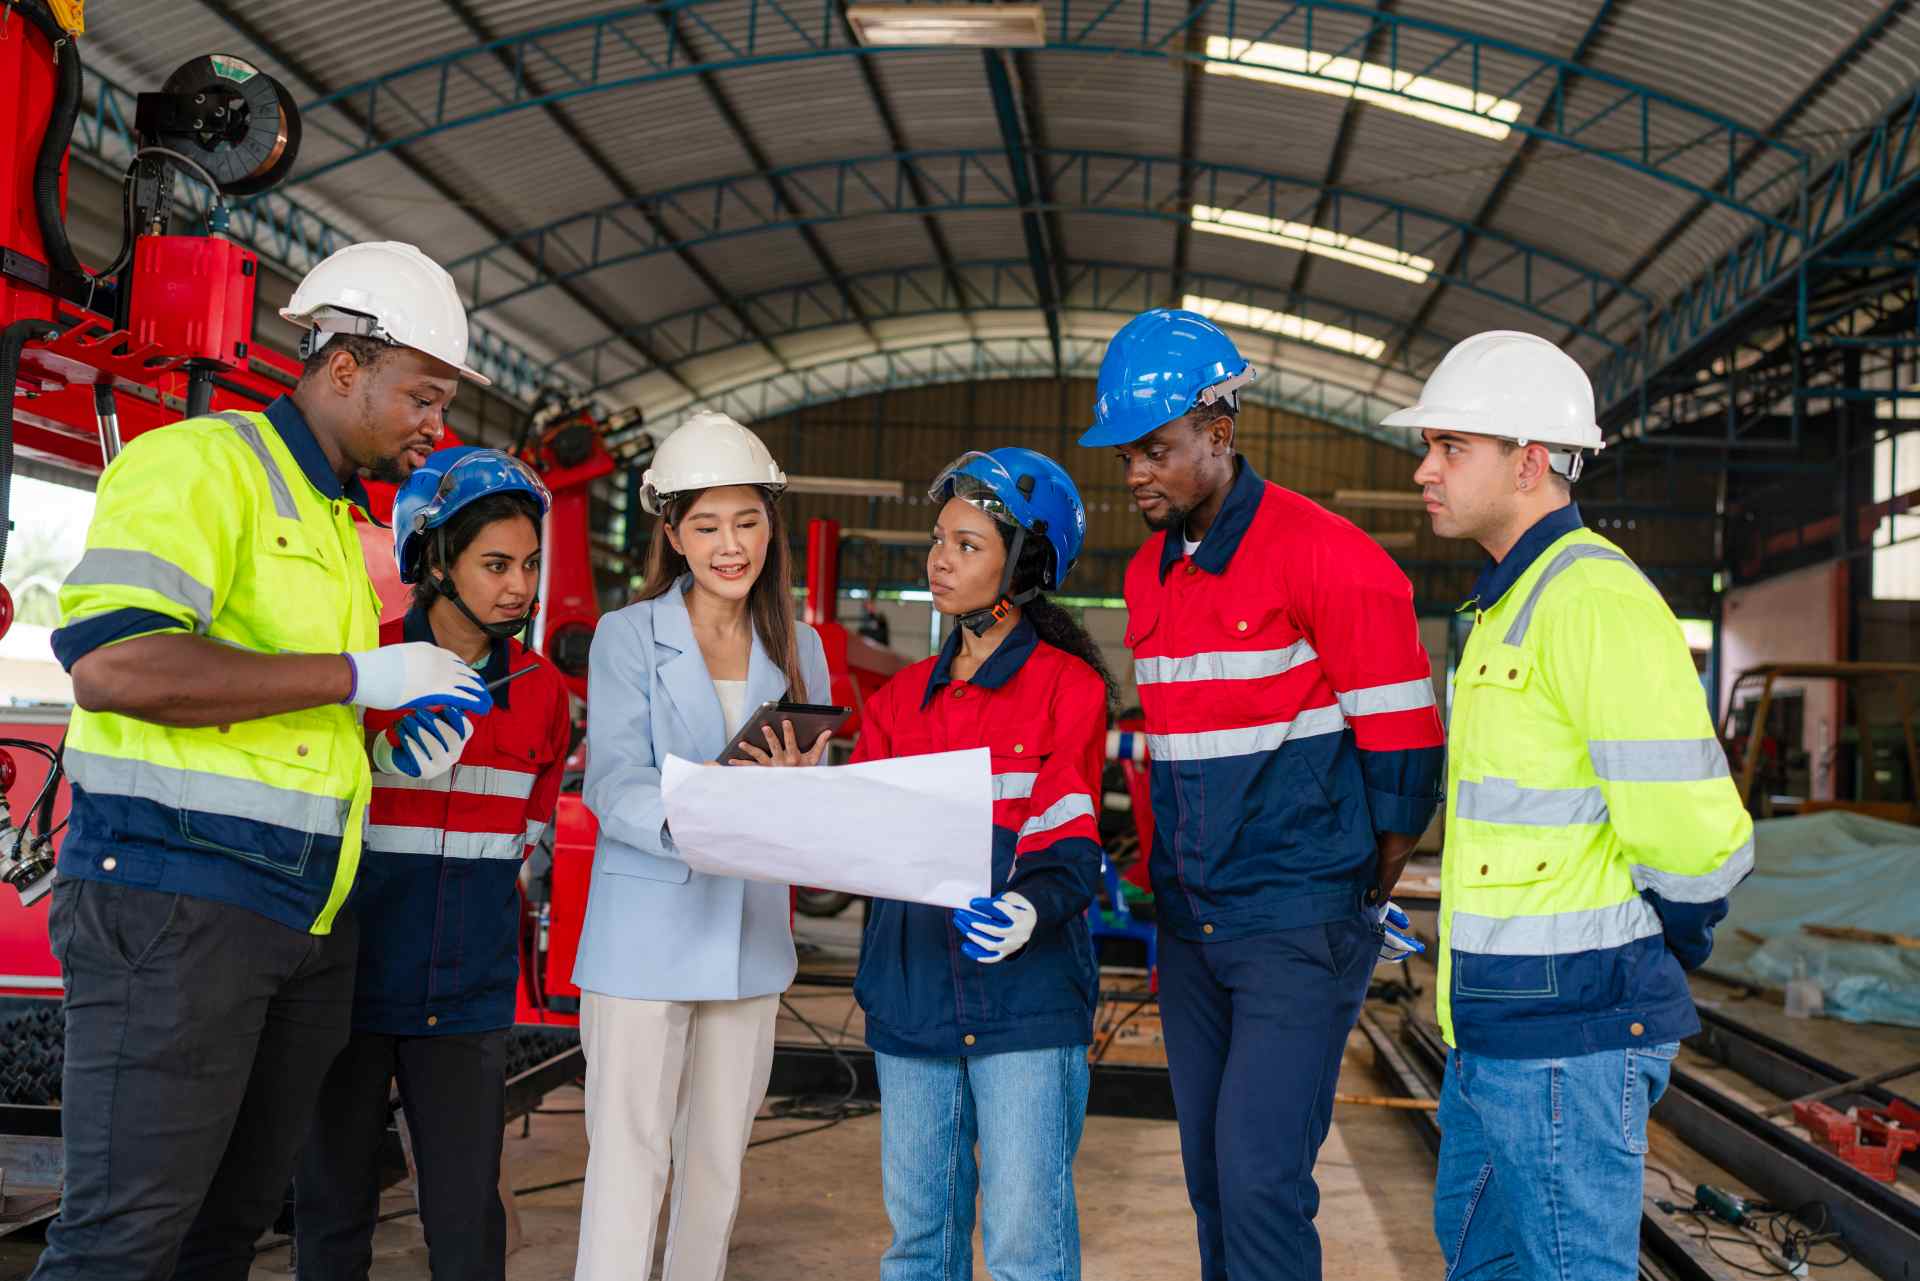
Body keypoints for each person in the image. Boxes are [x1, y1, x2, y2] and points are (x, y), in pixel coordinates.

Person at [42, 241, 496, 1280]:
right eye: (421, 396)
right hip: (175, 907)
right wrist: (353, 678)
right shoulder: (199, 464)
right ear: (344, 367)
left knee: (228, 1233)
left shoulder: (342, 526)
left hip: (301, 921)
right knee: (125, 1240)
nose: (436, 425)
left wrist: (382, 739)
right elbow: (118, 667)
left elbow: (279, 709)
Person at [1078, 308, 1445, 1281]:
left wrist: (1340, 889)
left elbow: (1405, 750)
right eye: (1126, 458)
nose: (1137, 476)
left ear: (1220, 432)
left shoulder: (1330, 557)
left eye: (1154, 450)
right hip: (1192, 924)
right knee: (1207, 1173)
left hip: (1296, 922)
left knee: (1260, 1179)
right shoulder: (1148, 575)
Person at [1395, 330, 1753, 1281]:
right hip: (1495, 1024)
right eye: (1428, 446)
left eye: (1450, 448)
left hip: (1572, 1030)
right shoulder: (1505, 604)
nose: (1425, 469)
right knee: (1483, 1259)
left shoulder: (1592, 597)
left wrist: (1656, 949)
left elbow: (1695, 835)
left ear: (1529, 460)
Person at [293, 447, 572, 1280]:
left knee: (465, 1221)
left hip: (468, 994)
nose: (518, 585)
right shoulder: (363, 665)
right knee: (333, 1207)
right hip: (348, 984)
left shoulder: (542, 688)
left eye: (527, 564)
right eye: (494, 564)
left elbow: (526, 834)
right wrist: (372, 744)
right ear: (432, 559)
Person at [571, 411, 831, 1281]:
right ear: (673, 533)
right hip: (645, 937)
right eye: (708, 525)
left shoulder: (804, 649)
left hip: (750, 940)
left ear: (771, 526)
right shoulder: (627, 636)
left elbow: (812, 797)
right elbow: (611, 779)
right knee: (629, 1161)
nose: (731, 545)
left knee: (716, 1165)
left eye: (748, 521)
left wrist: (801, 798)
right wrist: (704, 815)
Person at [850, 447, 1111, 1281]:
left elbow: (1069, 825)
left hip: (1026, 1004)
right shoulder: (894, 705)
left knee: (1027, 1247)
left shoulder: (1069, 688)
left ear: (1023, 562)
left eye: (967, 543)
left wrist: (1032, 906)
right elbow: (861, 841)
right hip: (913, 996)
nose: (939, 558)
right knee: (919, 1243)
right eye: (939, 539)